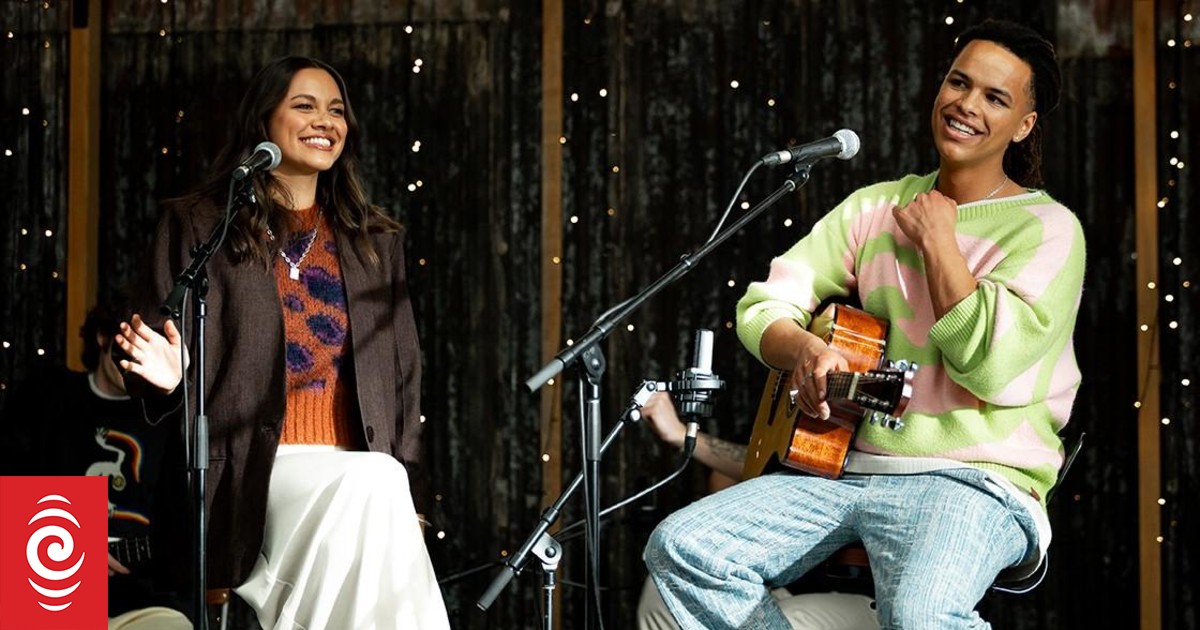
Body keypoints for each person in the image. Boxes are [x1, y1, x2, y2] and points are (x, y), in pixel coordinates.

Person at [644, 19, 1085, 629]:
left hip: (976, 480)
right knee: (687, 551)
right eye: (959, 82)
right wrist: (801, 348)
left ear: (1024, 126)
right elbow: (761, 305)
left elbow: (991, 367)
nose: (966, 104)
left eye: (995, 97)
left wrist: (941, 242)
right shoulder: (875, 206)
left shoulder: (1048, 229)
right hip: (846, 472)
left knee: (925, 614)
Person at [115, 56, 450, 629]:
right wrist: (166, 379)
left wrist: (411, 492)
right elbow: (153, 348)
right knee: (374, 484)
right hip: (249, 471)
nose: (326, 121)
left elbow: (404, 378)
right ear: (263, 120)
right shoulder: (199, 226)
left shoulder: (376, 241)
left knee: (376, 483)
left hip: (363, 473)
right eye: (305, 105)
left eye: (337, 110)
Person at [0, 304, 192, 630]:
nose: (135, 362)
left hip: (146, 600)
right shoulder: (49, 395)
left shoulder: (170, 420)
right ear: (104, 338)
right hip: (53, 589)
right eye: (128, 347)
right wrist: (76, 549)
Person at [635, 392, 879, 630]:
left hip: (859, 592)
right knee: (662, 592)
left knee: (776, 619)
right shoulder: (789, 399)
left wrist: (683, 434)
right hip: (776, 586)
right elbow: (735, 473)